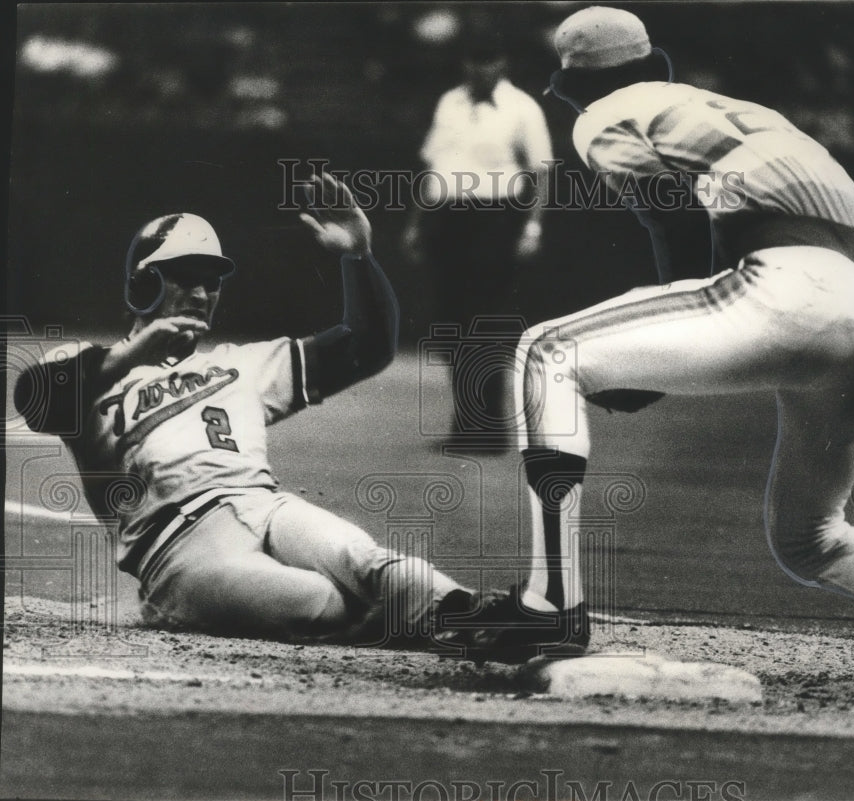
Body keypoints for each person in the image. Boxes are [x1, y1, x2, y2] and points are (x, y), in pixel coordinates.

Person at [458, 6, 854, 663]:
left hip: (793, 289)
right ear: (651, 63)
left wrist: (648, 366)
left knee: (547, 351)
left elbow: (674, 221)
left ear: (578, 84)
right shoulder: (748, 111)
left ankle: (551, 604)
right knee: (813, 539)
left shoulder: (605, 113)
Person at [12, 173, 502, 651]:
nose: (204, 294)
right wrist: (131, 356)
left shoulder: (241, 364)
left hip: (265, 507)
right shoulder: (89, 371)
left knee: (371, 563)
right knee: (321, 602)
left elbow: (367, 348)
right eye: (186, 278)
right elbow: (35, 399)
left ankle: (484, 621)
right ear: (143, 285)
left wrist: (358, 256)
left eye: (212, 282)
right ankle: (440, 627)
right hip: (177, 552)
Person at [404, 34, 553, 448]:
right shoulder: (449, 103)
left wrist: (532, 227)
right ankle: (466, 426)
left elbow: (541, 172)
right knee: (451, 326)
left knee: (483, 324)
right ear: (464, 64)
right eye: (473, 58)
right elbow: (434, 167)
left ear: (502, 63)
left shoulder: (522, 108)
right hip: (447, 217)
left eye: (488, 59)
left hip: (495, 217)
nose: (480, 68)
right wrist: (418, 224)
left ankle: (491, 429)